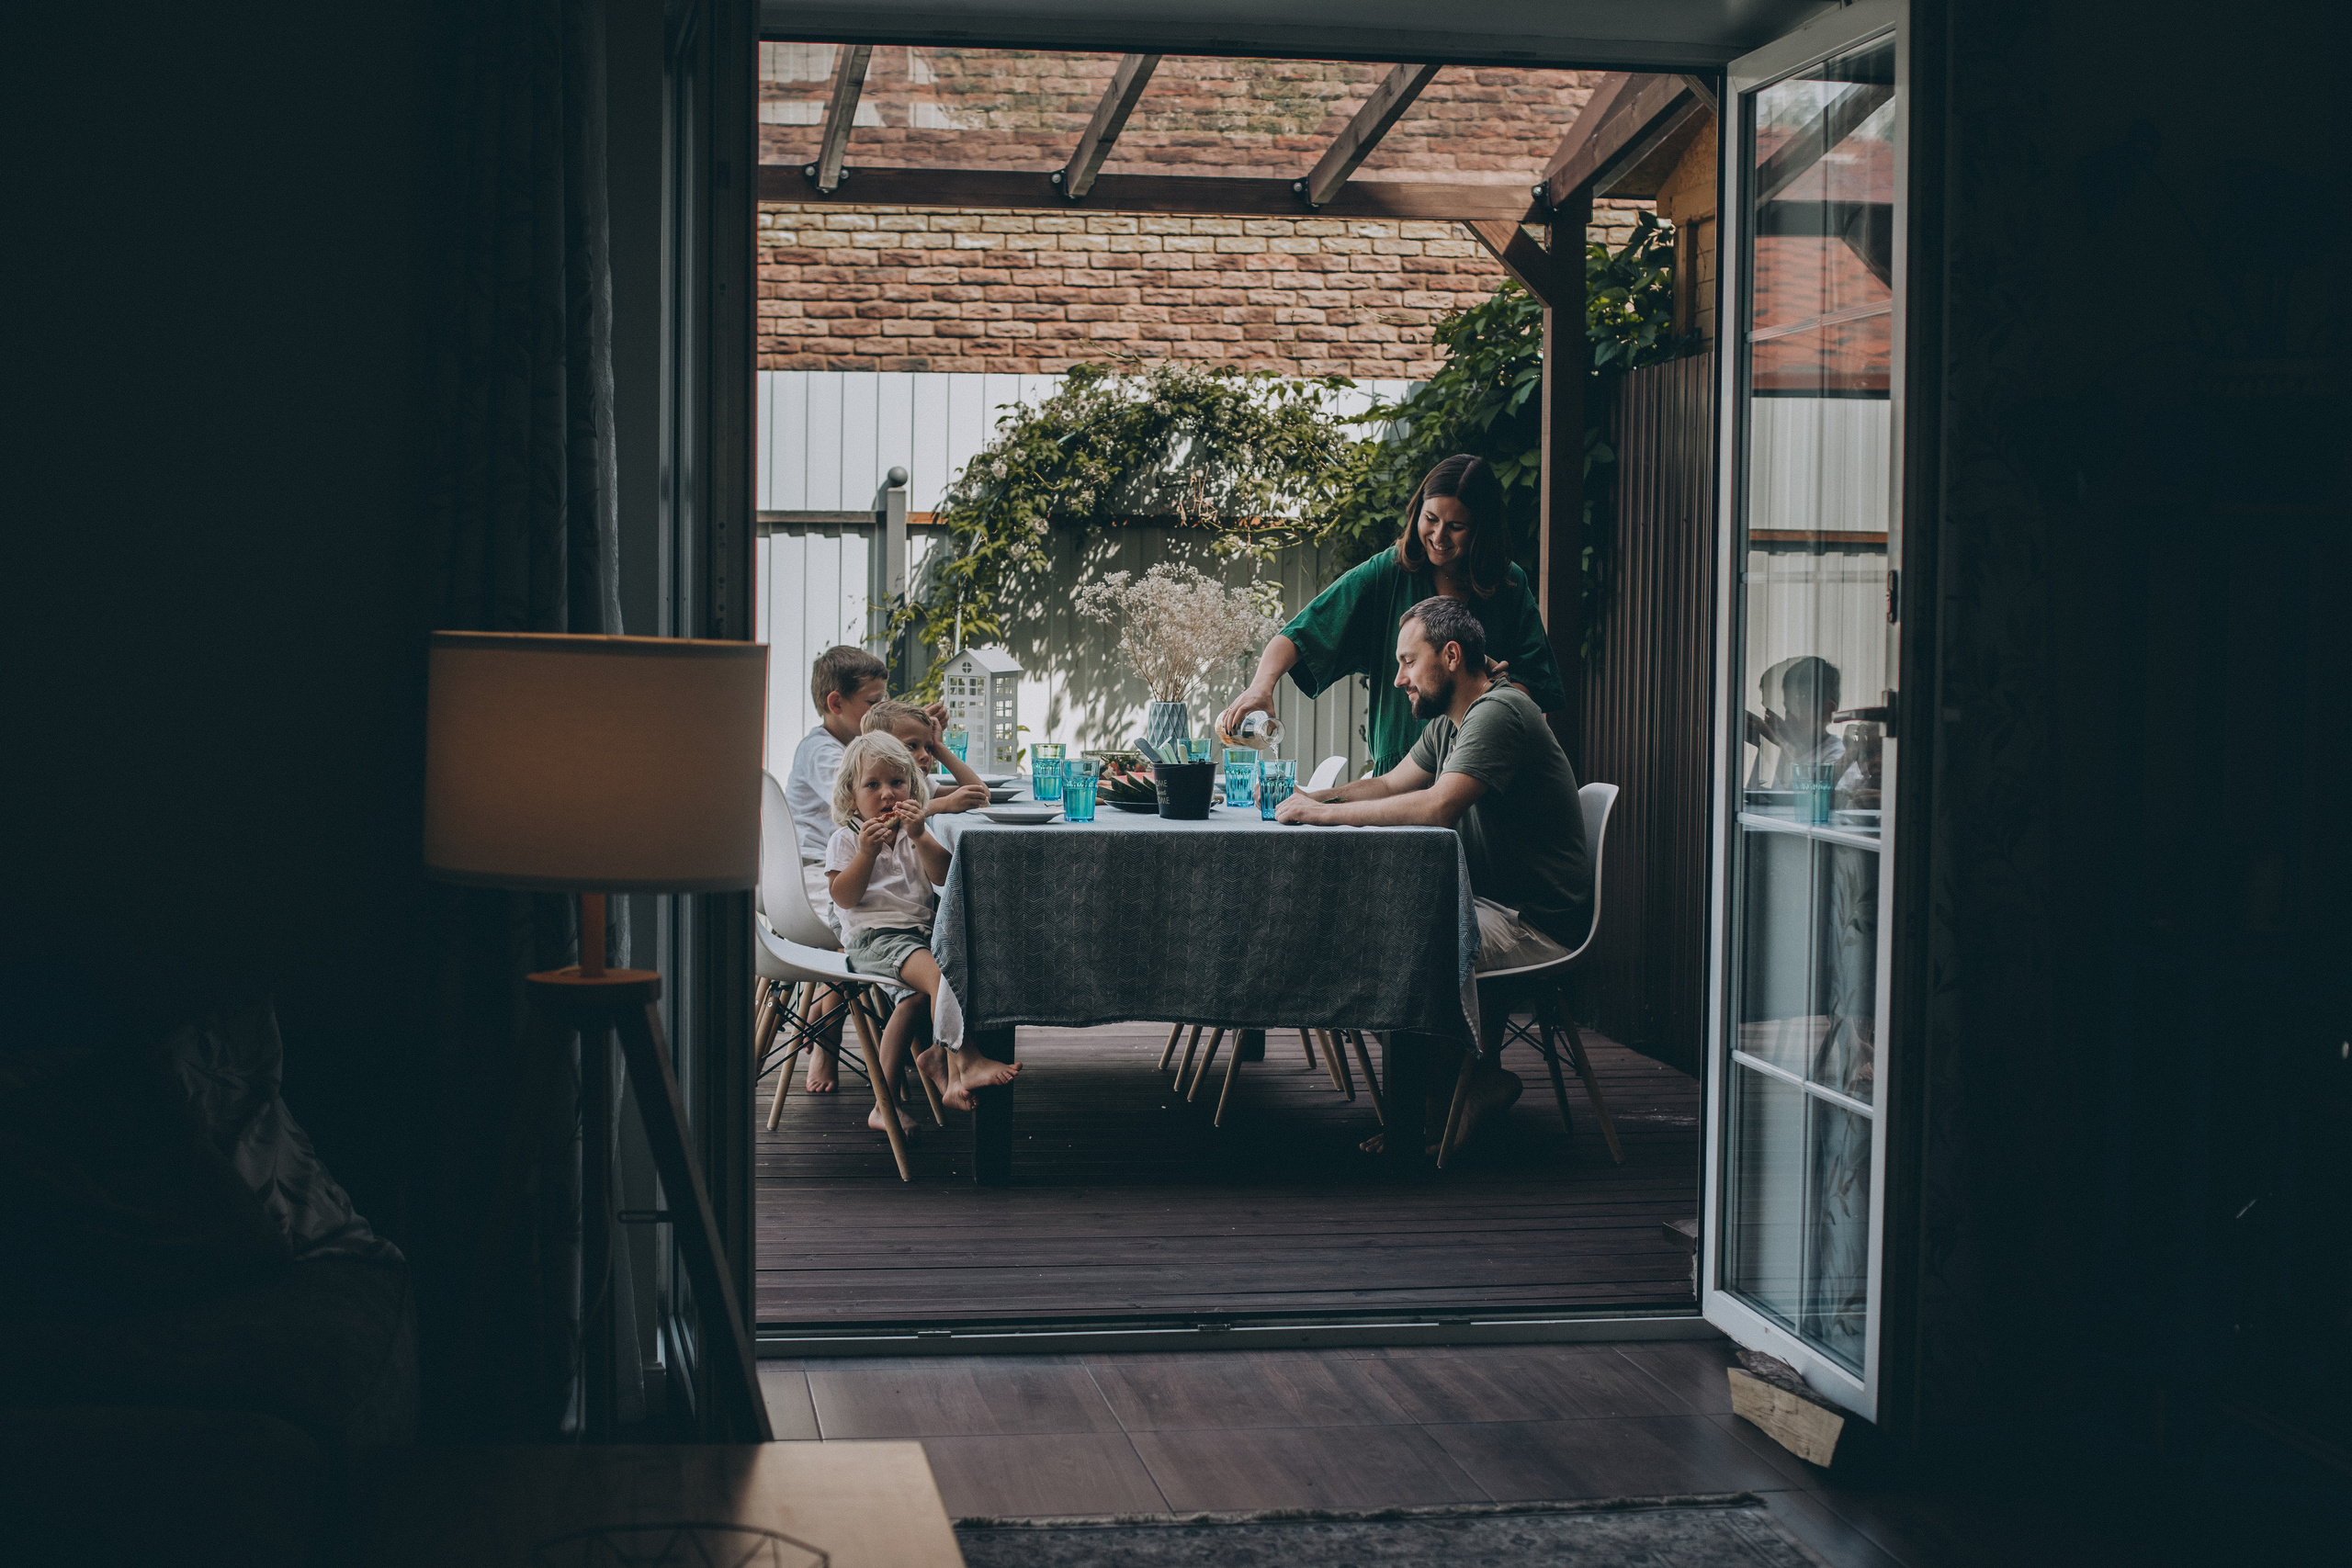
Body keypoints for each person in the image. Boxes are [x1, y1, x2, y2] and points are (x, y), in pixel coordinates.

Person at [1275, 594, 1591, 1154]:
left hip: (1536, 920)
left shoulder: (1499, 713)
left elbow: (1437, 806)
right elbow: (1390, 784)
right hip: (1493, 903)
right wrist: (1312, 798)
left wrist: (1321, 816)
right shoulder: (1454, 723)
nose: (1399, 679)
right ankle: (1457, 1087)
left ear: (1450, 656)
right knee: (1374, 937)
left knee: (1393, 949)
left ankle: (1429, 1108)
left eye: (1407, 661)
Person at [1219, 454, 1566, 776]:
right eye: (1430, 519)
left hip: (1482, 763)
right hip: (1397, 761)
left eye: (1456, 526)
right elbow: (1301, 632)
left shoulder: (1509, 583)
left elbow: (1533, 681)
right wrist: (1260, 687)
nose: (1439, 536)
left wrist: (1493, 693)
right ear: (1417, 512)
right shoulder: (1388, 571)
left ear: (1481, 529)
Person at [783, 648, 956, 1093]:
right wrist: (940, 802)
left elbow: (896, 794)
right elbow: (871, 805)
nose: (880, 710)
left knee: (905, 919)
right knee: (859, 929)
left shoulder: (862, 752)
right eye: (874, 703)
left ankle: (857, 1013)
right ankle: (827, 1038)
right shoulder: (826, 753)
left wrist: (923, 742)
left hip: (865, 872)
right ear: (836, 703)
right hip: (812, 876)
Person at [825, 733, 1019, 1132]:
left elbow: (945, 876)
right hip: (874, 938)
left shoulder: (916, 833)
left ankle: (895, 1094)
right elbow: (843, 897)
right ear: (850, 796)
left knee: (921, 995)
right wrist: (866, 854)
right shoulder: (846, 839)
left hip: (918, 935)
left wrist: (919, 835)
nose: (887, 794)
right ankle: (964, 1059)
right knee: (940, 974)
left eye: (897, 782)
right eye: (872, 785)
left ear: (914, 788)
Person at [860, 699, 990, 818]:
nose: (925, 755)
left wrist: (939, 748)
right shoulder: (871, 785)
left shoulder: (921, 783)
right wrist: (944, 804)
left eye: (928, 747)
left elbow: (981, 794)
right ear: (879, 748)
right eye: (912, 746)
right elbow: (892, 815)